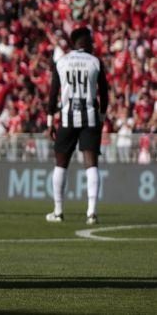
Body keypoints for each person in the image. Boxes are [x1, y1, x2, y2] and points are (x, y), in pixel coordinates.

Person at [46, 27, 109, 224]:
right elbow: (104, 94)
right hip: (90, 117)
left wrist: (50, 121)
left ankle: (58, 211)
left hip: (67, 118)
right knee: (91, 165)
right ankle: (91, 212)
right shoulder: (95, 62)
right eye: (91, 40)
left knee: (61, 164)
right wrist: (101, 117)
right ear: (84, 41)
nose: (93, 43)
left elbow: (53, 93)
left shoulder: (62, 62)